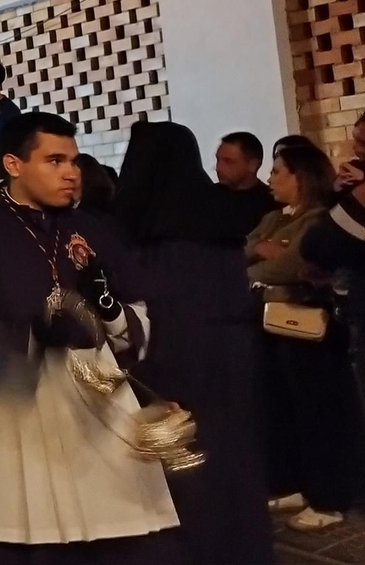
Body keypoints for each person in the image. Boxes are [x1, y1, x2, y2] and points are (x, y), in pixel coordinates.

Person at [0, 112, 180, 564]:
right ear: (13, 164)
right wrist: (29, 333)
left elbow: (138, 313)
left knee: (121, 543)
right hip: (12, 421)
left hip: (95, 416)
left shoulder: (96, 231)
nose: (70, 173)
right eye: (55, 160)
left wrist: (109, 312)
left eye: (75, 162)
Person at [113, 121, 275, 564]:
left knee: (183, 465)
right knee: (234, 459)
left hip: (173, 353)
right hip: (232, 351)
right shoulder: (217, 212)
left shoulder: (142, 222)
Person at [249, 142, 364, 531]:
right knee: (287, 409)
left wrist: (266, 262)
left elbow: (293, 264)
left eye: (279, 170)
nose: (271, 177)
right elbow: (246, 247)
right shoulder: (276, 218)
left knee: (321, 414)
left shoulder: (321, 217)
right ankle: (299, 483)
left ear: (301, 176)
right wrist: (266, 255)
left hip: (313, 326)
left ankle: (330, 497)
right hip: (276, 324)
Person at [216, 131, 279, 237]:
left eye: (228, 161)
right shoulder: (206, 199)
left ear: (253, 165)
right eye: (218, 160)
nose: (219, 168)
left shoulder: (273, 203)